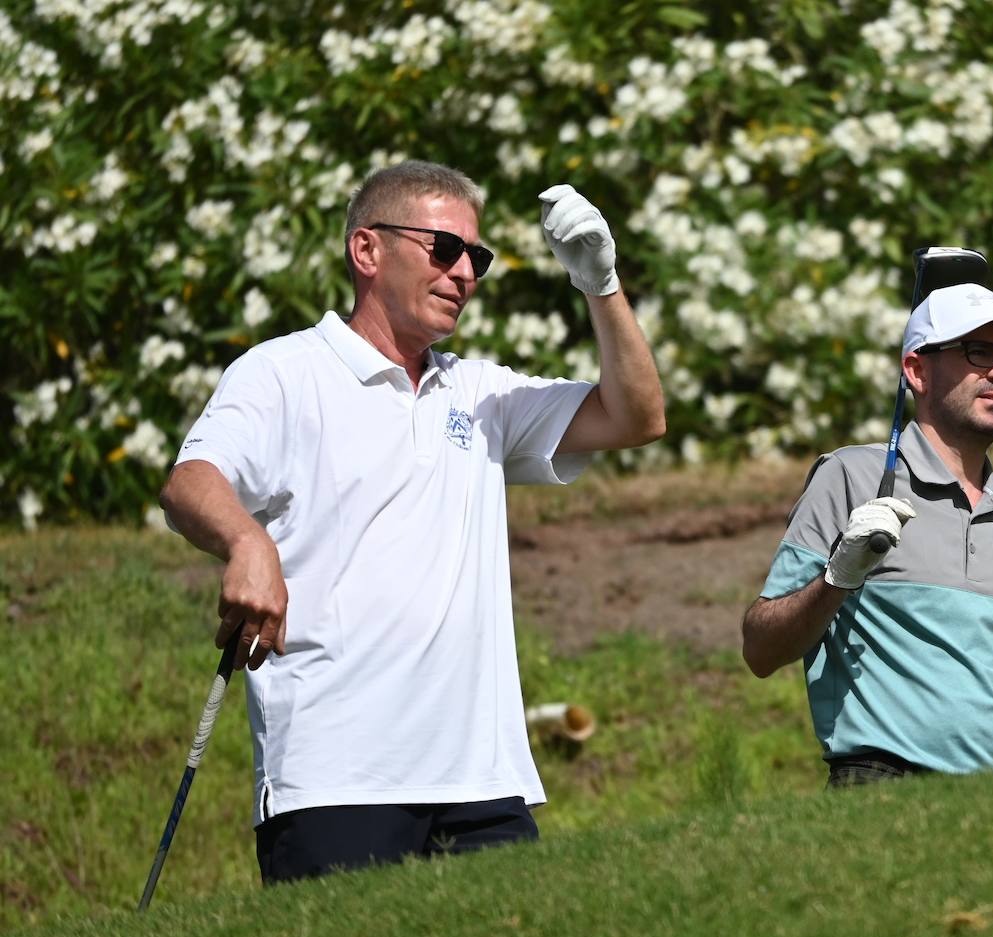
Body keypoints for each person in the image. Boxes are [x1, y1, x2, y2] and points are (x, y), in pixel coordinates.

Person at [160, 160, 665, 882]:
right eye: (444, 248)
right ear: (367, 250)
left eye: (476, 257)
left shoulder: (483, 392)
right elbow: (190, 482)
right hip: (337, 781)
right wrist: (247, 540)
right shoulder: (284, 372)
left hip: (483, 783)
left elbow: (637, 416)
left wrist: (601, 284)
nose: (465, 273)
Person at [741, 282, 993, 787]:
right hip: (878, 787)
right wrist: (838, 578)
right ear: (917, 370)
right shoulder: (850, 477)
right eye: (979, 352)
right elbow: (761, 649)